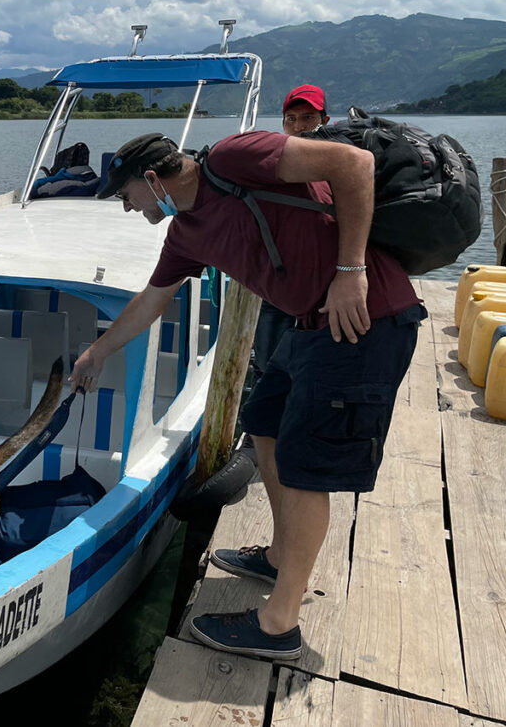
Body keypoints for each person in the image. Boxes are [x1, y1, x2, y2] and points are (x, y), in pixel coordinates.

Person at [69, 129, 425, 660]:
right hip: (309, 327)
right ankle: (282, 556)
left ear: (150, 178)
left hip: (364, 322)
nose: (126, 208)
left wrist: (351, 271)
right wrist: (97, 351)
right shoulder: (186, 232)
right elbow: (151, 300)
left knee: (307, 468)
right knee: (263, 420)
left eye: (125, 196)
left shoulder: (236, 159)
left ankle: (279, 624)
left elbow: (353, 164)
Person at [251, 85, 333, 396]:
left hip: (326, 292)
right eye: (291, 118)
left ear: (325, 119)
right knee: (267, 370)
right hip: (278, 288)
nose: (299, 127)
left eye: (308, 118)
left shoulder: (343, 165)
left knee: (319, 376)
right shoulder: (271, 167)